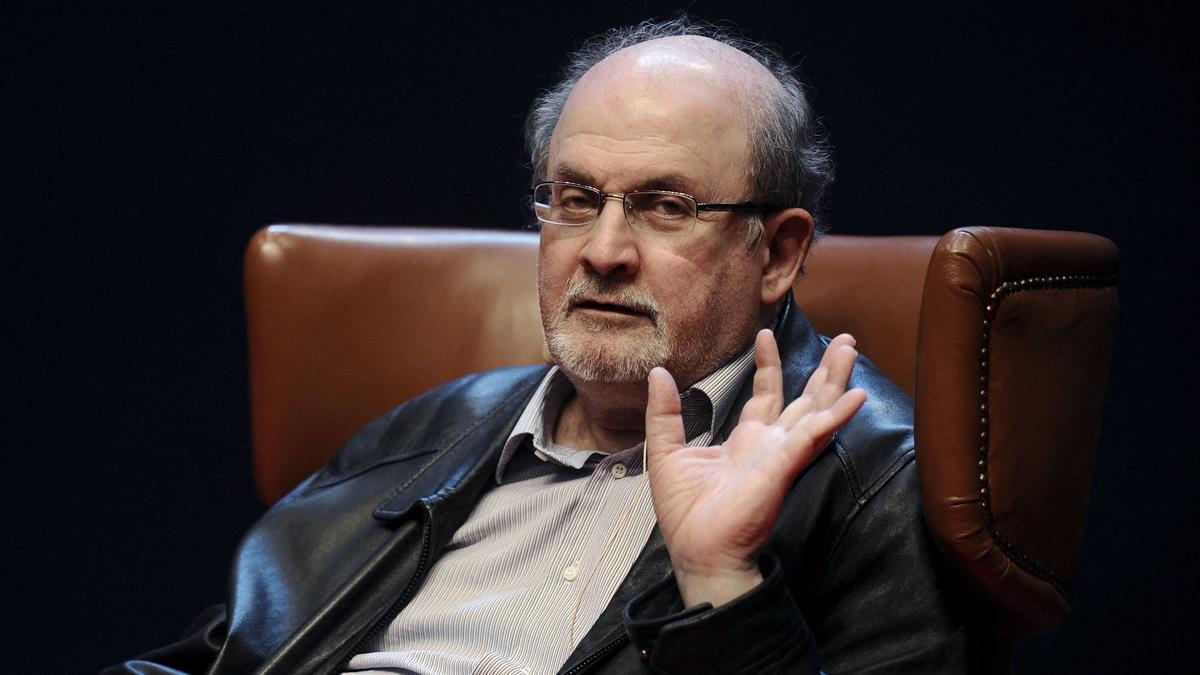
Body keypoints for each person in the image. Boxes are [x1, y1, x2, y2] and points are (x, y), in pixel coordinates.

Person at [106, 17, 972, 675]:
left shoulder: (876, 479)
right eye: (575, 198)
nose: (602, 250)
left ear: (778, 253)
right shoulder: (433, 427)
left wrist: (720, 586)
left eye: (666, 205)